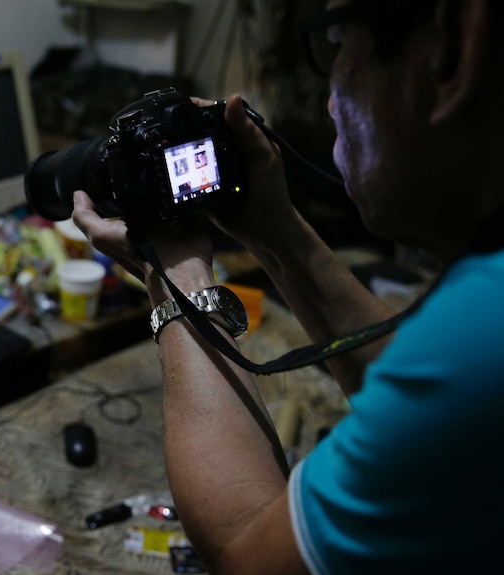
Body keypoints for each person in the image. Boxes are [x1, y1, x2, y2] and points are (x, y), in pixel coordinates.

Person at [72, 0, 504, 573]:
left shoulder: (485, 339)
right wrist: (275, 231)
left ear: (453, 49)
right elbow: (426, 403)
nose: (330, 97)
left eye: (338, 40)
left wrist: (174, 272)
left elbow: (245, 550)